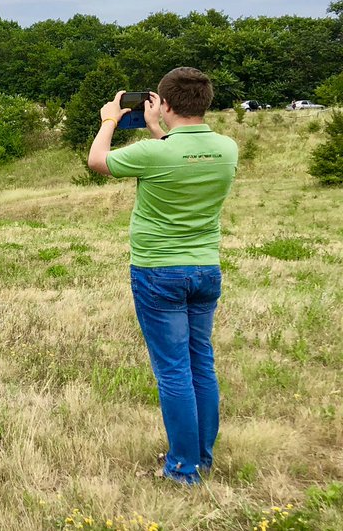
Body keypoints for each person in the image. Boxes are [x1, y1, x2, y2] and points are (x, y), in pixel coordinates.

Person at [87, 67, 239, 485]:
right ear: (205, 102)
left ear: (165, 103)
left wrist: (109, 120)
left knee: (173, 371)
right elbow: (181, 156)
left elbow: (97, 160)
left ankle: (183, 468)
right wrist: (159, 129)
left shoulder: (153, 154)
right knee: (200, 363)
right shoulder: (227, 148)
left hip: (159, 271)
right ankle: (201, 457)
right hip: (205, 268)